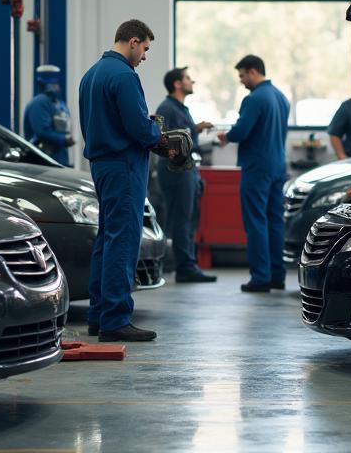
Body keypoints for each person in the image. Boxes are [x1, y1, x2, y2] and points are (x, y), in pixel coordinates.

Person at [79, 20, 164, 342]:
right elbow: (139, 129)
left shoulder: (91, 74)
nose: (144, 56)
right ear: (132, 41)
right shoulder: (125, 76)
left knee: (108, 238)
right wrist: (158, 133)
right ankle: (115, 320)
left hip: (102, 165)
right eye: (144, 48)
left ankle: (99, 315)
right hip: (124, 166)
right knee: (124, 240)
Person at [217, 55, 290, 293]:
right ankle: (277, 276)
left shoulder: (254, 99)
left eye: (242, 76)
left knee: (256, 222)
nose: (241, 81)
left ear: (252, 71)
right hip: (278, 166)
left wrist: (226, 136)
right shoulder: (281, 97)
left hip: (257, 168)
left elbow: (241, 131)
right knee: (275, 221)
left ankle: (260, 277)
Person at [155, 67, 216, 284]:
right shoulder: (167, 109)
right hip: (177, 170)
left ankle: (188, 264)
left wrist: (195, 129)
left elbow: (182, 134)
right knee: (181, 220)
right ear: (177, 84)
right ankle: (185, 268)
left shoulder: (180, 108)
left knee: (189, 219)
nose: (192, 81)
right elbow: (162, 140)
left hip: (187, 169)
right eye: (188, 79)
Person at [23, 64, 76, 166]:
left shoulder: (58, 103)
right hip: (43, 160)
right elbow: (42, 132)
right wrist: (64, 139)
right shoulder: (39, 102)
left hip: (59, 158)